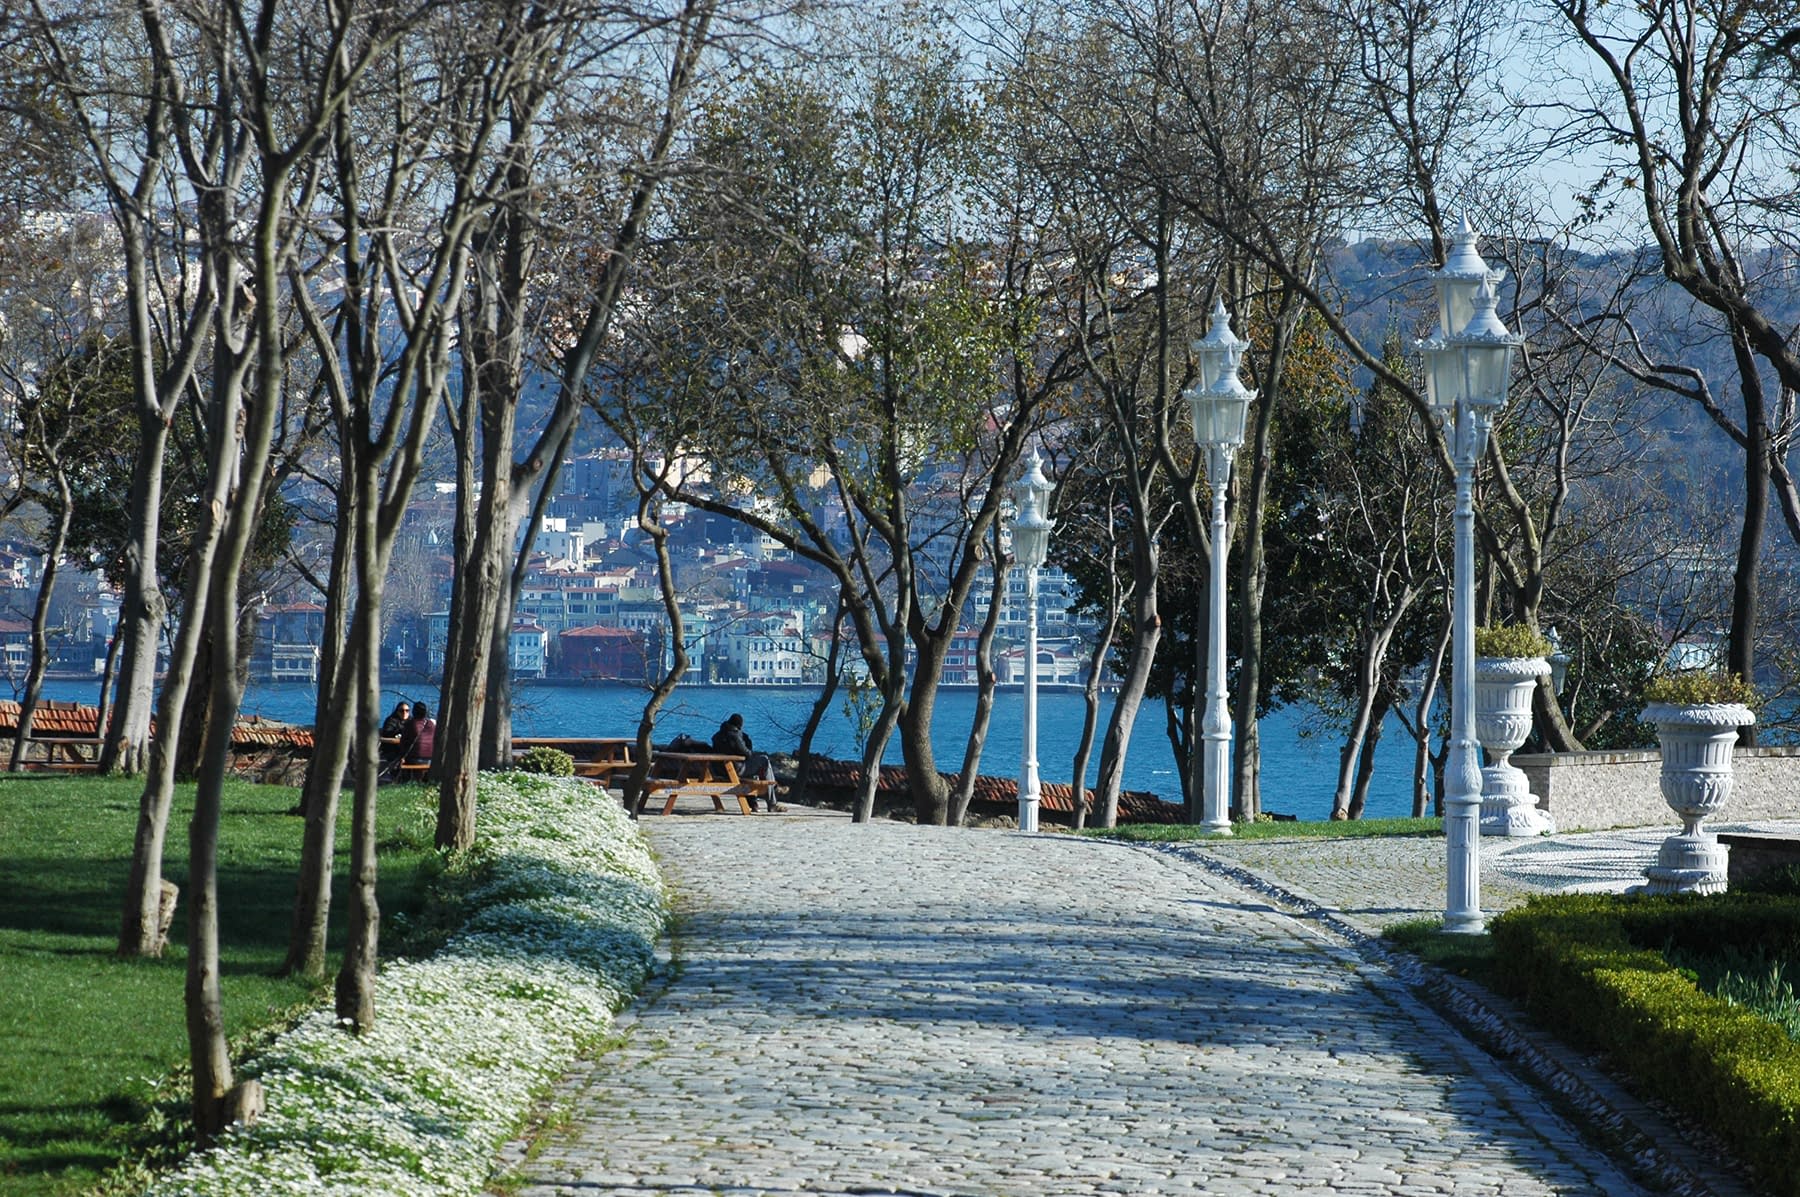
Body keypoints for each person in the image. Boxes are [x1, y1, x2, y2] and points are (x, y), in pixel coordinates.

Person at [712, 713, 783, 812]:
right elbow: (747, 753)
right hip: (736, 769)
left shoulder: (717, 736)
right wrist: (747, 741)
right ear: (739, 725)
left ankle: (754, 803)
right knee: (764, 760)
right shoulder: (735, 735)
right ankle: (772, 798)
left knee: (753, 773)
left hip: (720, 770)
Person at [378, 701, 411, 780]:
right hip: (392, 749)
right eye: (401, 710)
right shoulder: (391, 721)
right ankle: (395, 775)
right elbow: (387, 734)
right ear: (397, 711)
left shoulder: (411, 722)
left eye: (407, 710)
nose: (404, 713)